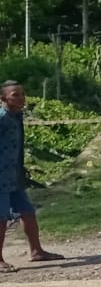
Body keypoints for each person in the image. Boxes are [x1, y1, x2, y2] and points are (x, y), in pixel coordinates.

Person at [0, 81, 62, 271]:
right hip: (1, 176)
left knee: (27, 211)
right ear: (3, 98)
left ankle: (37, 251)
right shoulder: (2, 118)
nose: (21, 98)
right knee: (1, 218)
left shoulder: (17, 116)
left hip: (15, 174)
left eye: (22, 94)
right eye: (15, 95)